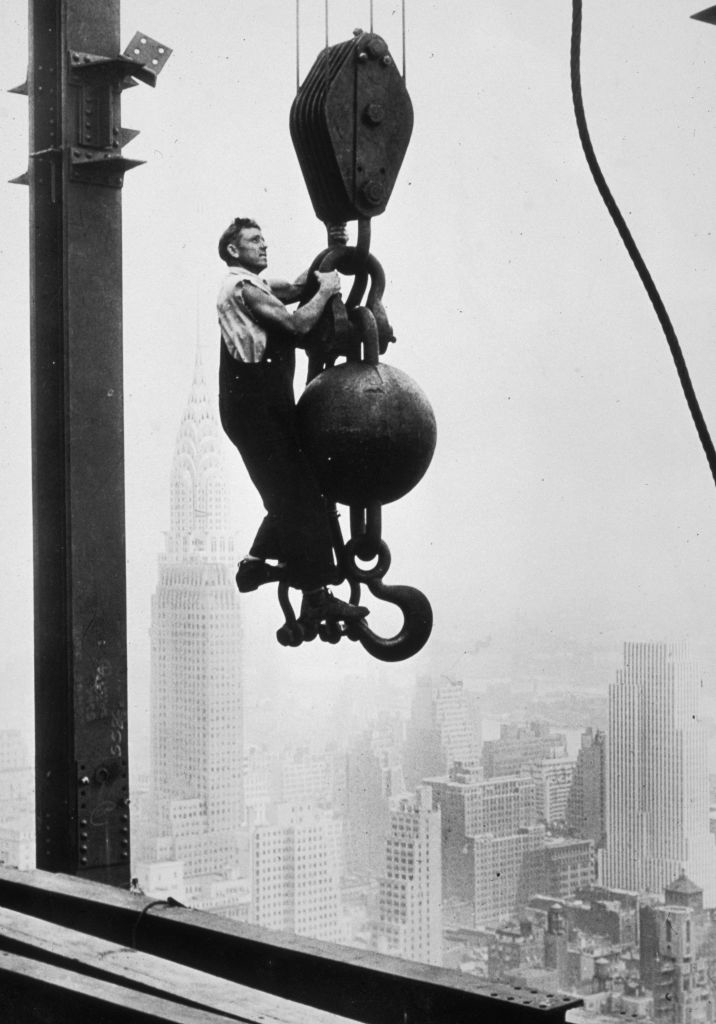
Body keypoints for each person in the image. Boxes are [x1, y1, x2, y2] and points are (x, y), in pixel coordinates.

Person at [216, 217, 368, 624]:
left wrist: (332, 251)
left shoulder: (260, 286)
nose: (263, 245)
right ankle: (314, 593)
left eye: (264, 238)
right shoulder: (241, 288)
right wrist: (329, 292)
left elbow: (299, 287)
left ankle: (259, 565)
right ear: (233, 250)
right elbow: (299, 326)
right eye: (253, 240)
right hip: (254, 407)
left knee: (297, 489)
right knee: (296, 495)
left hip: (268, 405)